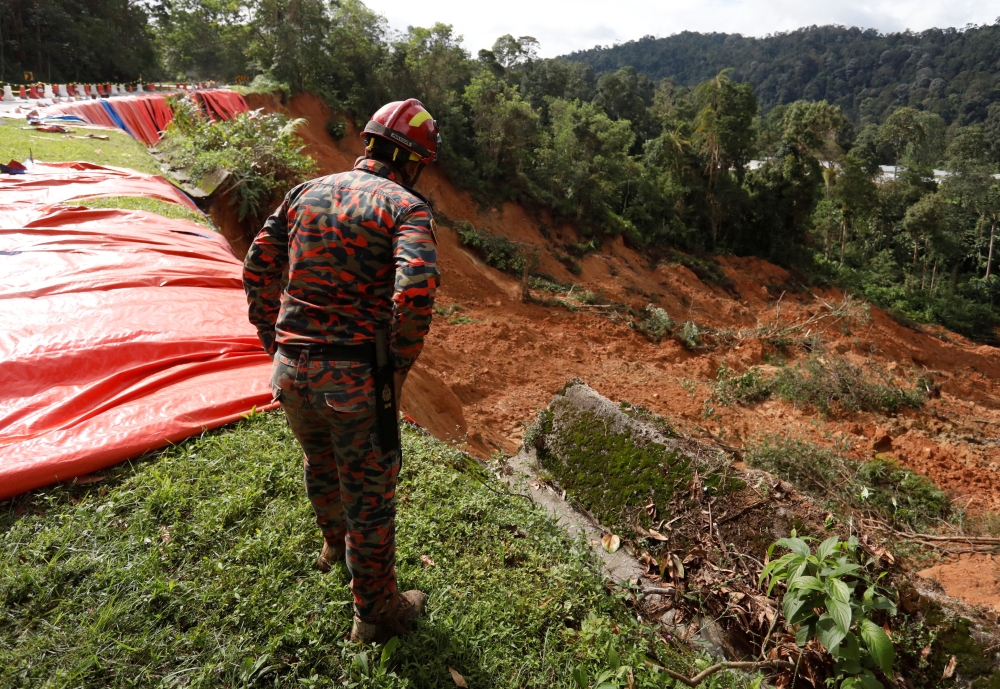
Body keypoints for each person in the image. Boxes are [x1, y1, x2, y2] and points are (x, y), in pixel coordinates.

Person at [243, 99, 441, 643]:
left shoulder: (305, 192)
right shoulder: (406, 207)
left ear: (370, 142)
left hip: (290, 371)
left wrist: (274, 342)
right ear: (415, 161)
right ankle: (376, 614)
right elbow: (417, 289)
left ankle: (334, 543)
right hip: (353, 380)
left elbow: (256, 268)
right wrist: (397, 363)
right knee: (370, 498)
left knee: (318, 460)